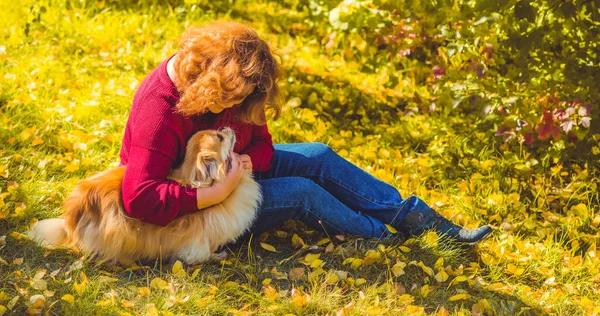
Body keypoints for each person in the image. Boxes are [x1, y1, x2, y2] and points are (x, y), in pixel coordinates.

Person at [119, 21, 492, 246]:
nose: (231, 107)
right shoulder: (160, 107)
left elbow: (262, 144)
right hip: (195, 212)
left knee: (317, 154)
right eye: (227, 98)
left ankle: (421, 221)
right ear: (207, 75)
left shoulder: (239, 86)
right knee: (301, 192)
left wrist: (251, 160)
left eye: (242, 99)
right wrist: (218, 190)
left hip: (233, 175)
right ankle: (382, 237)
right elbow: (138, 199)